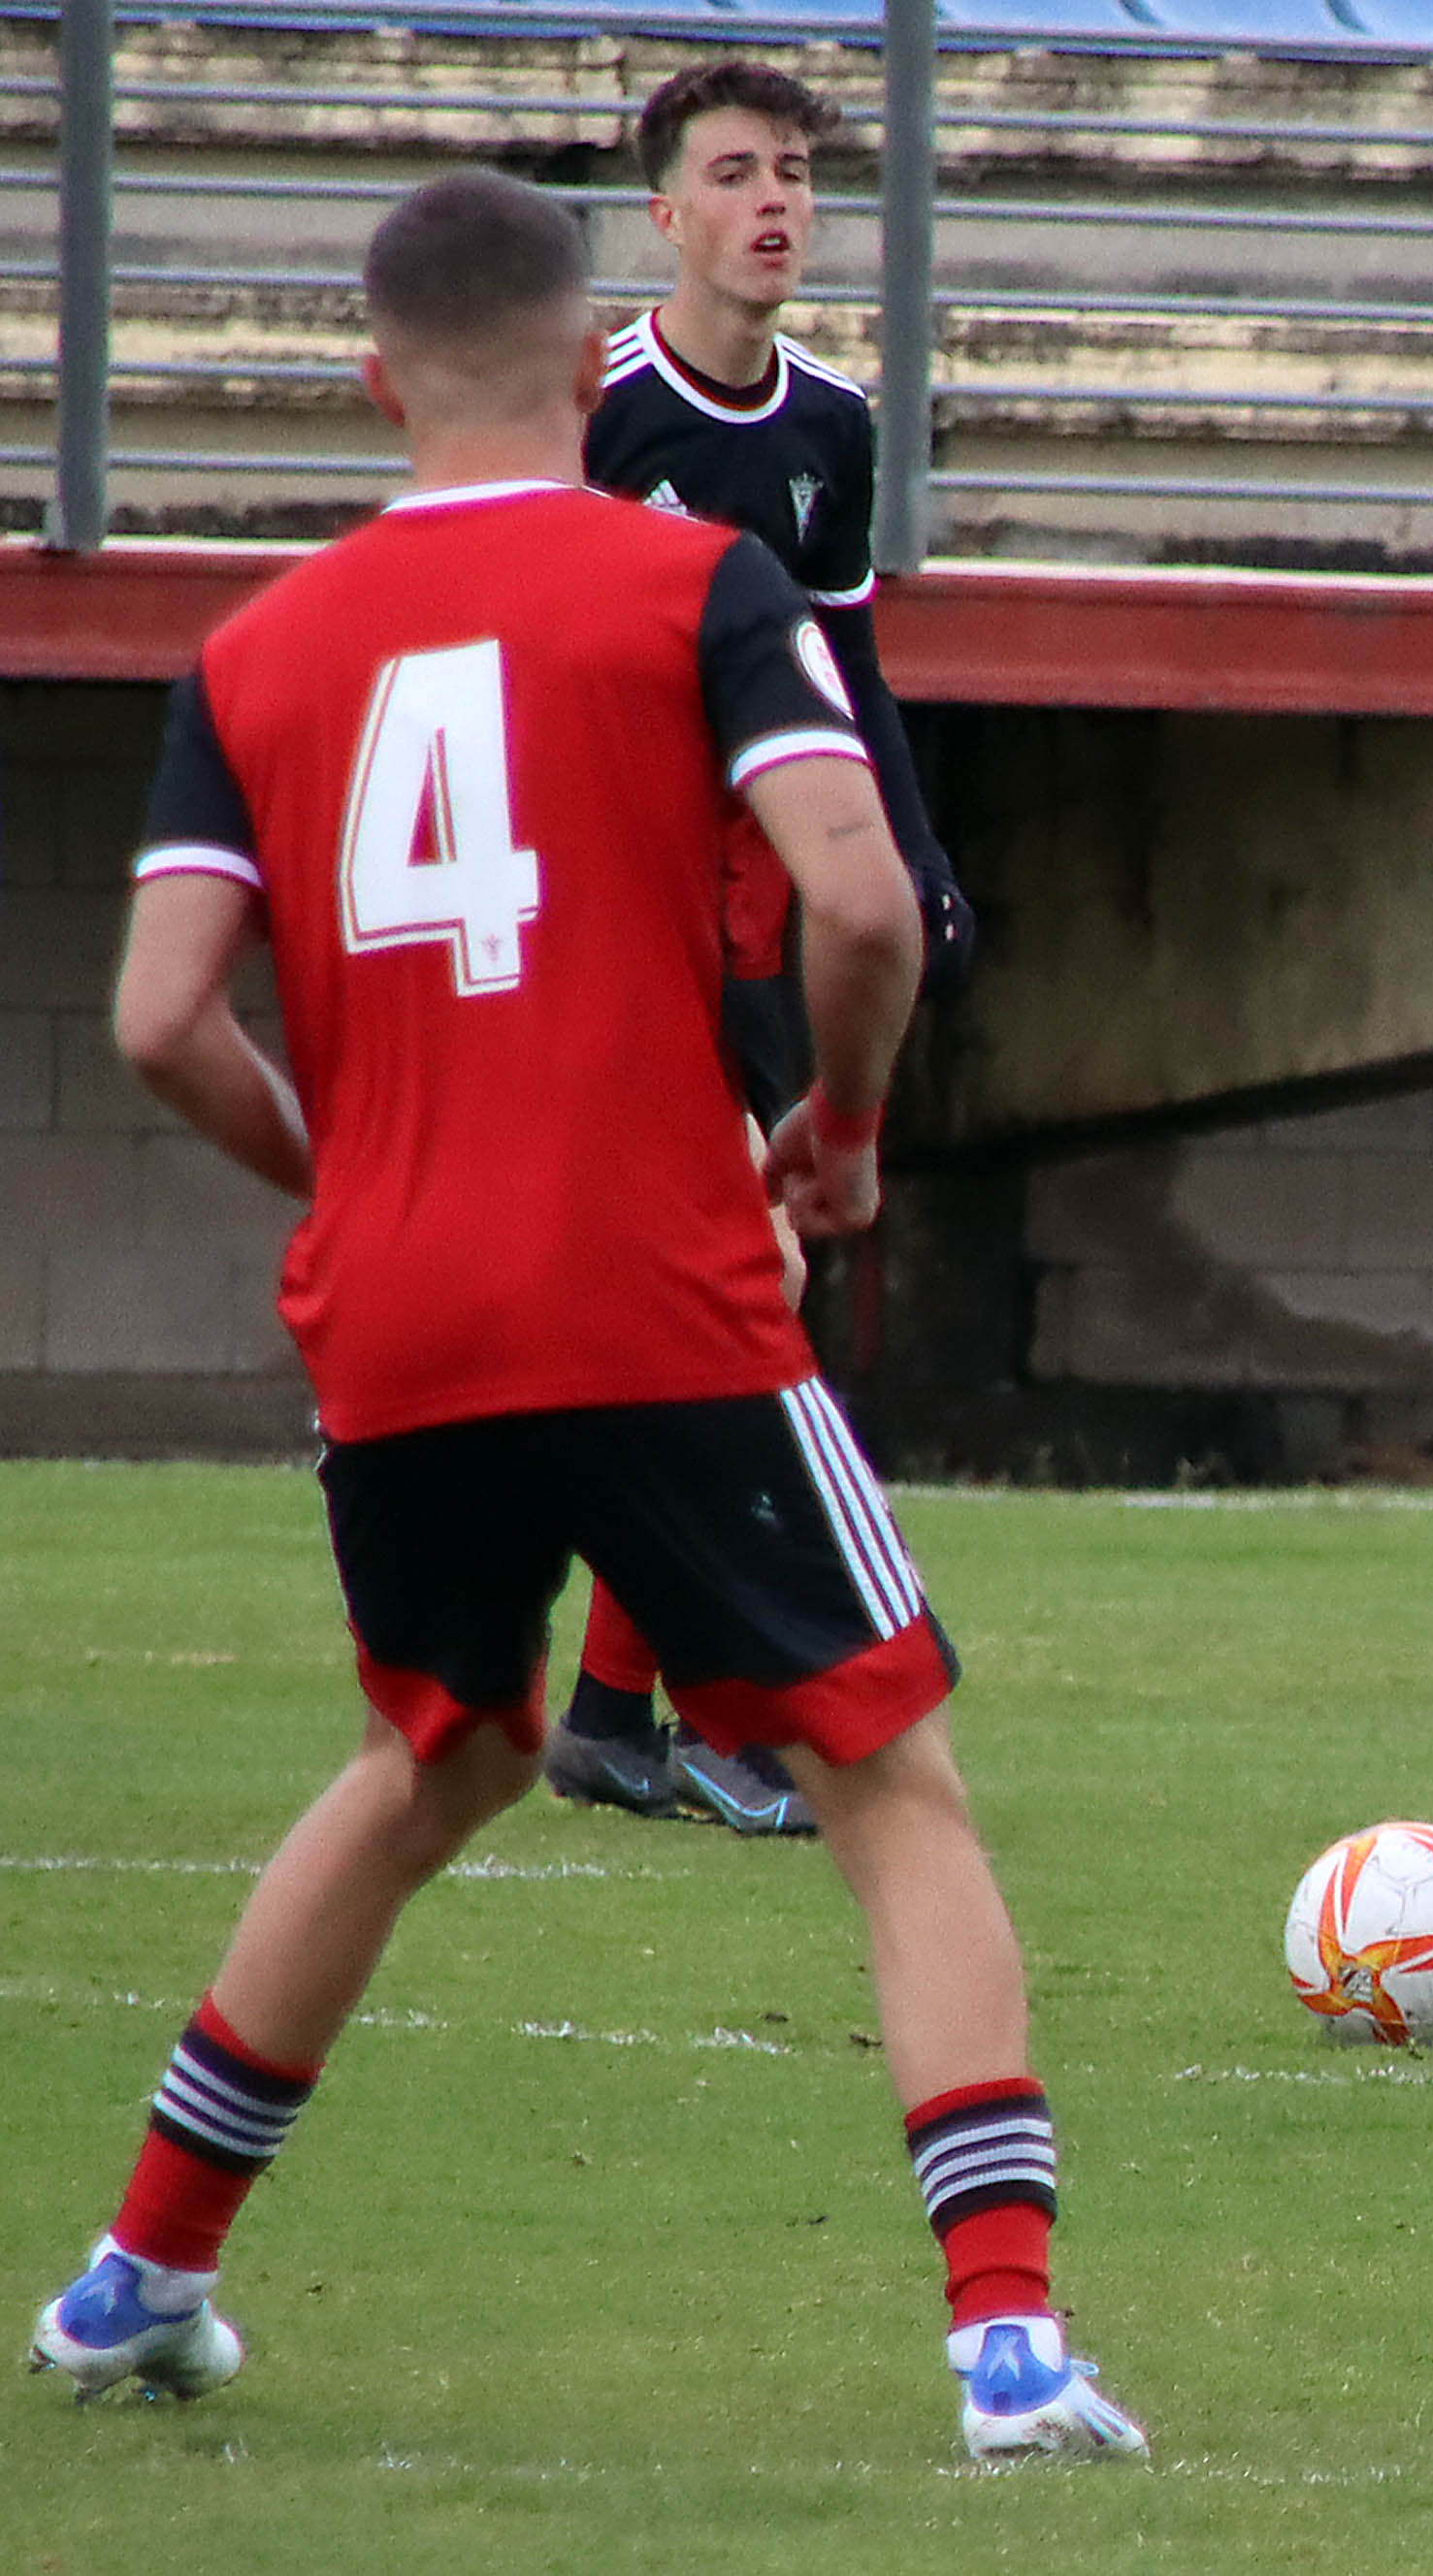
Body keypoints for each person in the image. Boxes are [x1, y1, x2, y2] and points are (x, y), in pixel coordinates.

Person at [22, 172, 1149, 2458]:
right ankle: (1010, 2342)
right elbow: (858, 893)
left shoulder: (253, 651)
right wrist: (836, 1118)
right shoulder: (695, 575)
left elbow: (155, 1018)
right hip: (657, 1282)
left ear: (369, 382)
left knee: (433, 1751)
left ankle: (138, 2269)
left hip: (399, 1315)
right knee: (888, 1771)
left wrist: (348, 1173)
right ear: (584, 365)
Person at [542, 58, 977, 1837]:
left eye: (795, 172)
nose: (776, 201)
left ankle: (612, 1709)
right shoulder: (600, 406)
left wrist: (916, 862)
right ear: (667, 214)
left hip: (761, 908)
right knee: (749, 1289)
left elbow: (850, 673)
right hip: (618, 898)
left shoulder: (835, 425)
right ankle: (721, 1707)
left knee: (737, 1289)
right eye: (737, 173)